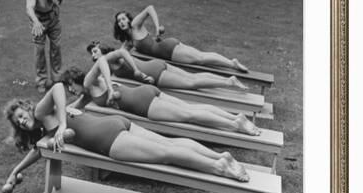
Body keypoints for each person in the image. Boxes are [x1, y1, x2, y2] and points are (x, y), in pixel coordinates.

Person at [1, 83, 250, 193]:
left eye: (21, 115)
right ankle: (221, 156)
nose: (23, 120)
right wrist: (15, 171)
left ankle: (218, 167)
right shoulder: (44, 132)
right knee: (169, 144)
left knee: (167, 154)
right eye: (19, 122)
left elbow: (56, 86)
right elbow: (37, 151)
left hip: (109, 140)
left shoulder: (42, 113)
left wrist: (63, 125)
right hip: (114, 125)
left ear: (27, 107)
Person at [61, 57, 261, 136]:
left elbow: (103, 61)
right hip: (145, 93)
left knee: (189, 115)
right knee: (191, 108)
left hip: (143, 104)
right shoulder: (88, 93)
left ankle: (235, 125)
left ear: (74, 80)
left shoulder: (88, 81)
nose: (71, 92)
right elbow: (77, 105)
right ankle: (235, 118)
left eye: (70, 87)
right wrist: (67, 109)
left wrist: (112, 91)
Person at [113, 5, 248, 72]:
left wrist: (157, 27)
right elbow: (119, 54)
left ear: (128, 19)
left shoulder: (135, 25)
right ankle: (232, 63)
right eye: (119, 21)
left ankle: (232, 64)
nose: (122, 22)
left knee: (200, 59)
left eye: (123, 19)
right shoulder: (129, 41)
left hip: (167, 50)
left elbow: (150, 8)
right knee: (201, 57)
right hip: (167, 48)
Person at [86, 41, 248, 91]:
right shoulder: (105, 64)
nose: (94, 55)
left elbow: (123, 53)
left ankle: (228, 83)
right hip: (156, 65)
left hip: (154, 74)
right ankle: (228, 79)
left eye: (95, 51)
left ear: (101, 49)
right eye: (92, 54)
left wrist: (136, 71)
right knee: (192, 77)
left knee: (191, 83)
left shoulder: (108, 57)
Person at [26, 0, 64, 93]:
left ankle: (57, 78)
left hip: (53, 17)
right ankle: (41, 81)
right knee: (40, 51)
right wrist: (36, 22)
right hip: (39, 20)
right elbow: (29, 8)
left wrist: (58, 3)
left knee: (56, 47)